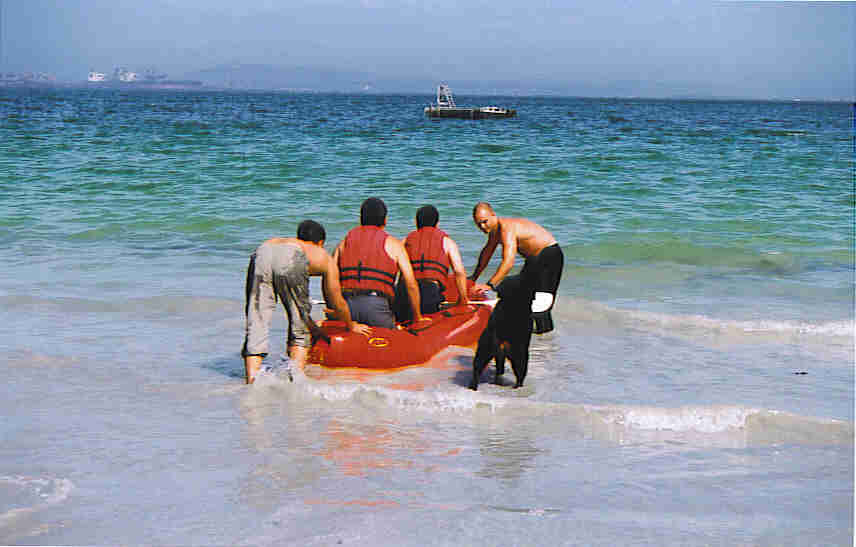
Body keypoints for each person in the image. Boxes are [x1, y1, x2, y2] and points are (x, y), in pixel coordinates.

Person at [241, 220, 369, 384]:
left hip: (262, 253)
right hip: (291, 258)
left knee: (257, 318)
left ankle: (251, 379)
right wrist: (351, 325)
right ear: (321, 242)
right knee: (300, 332)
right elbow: (337, 302)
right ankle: (295, 381)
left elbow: (298, 305)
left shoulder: (280, 242)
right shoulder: (321, 255)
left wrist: (312, 325)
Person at [470, 201, 564, 334]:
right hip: (533, 260)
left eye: (485, 221)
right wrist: (474, 276)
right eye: (478, 224)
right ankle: (533, 338)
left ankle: (546, 343)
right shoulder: (494, 231)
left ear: (493, 215)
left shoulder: (506, 228)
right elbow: (486, 253)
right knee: (524, 297)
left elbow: (508, 261)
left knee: (541, 304)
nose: (483, 226)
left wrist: (490, 285)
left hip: (549, 256)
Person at [333, 197, 426, 328]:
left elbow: (329, 281)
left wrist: (333, 308)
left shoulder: (343, 243)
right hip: (376, 308)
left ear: (361, 218)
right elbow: (411, 284)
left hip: (346, 308)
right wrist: (418, 317)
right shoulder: (394, 245)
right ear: (385, 220)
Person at [394, 205, 469, 320]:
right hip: (429, 294)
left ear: (417, 223)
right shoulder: (447, 242)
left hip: (405, 295)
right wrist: (463, 300)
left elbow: (394, 272)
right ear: (437, 223)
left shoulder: (405, 240)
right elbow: (459, 272)